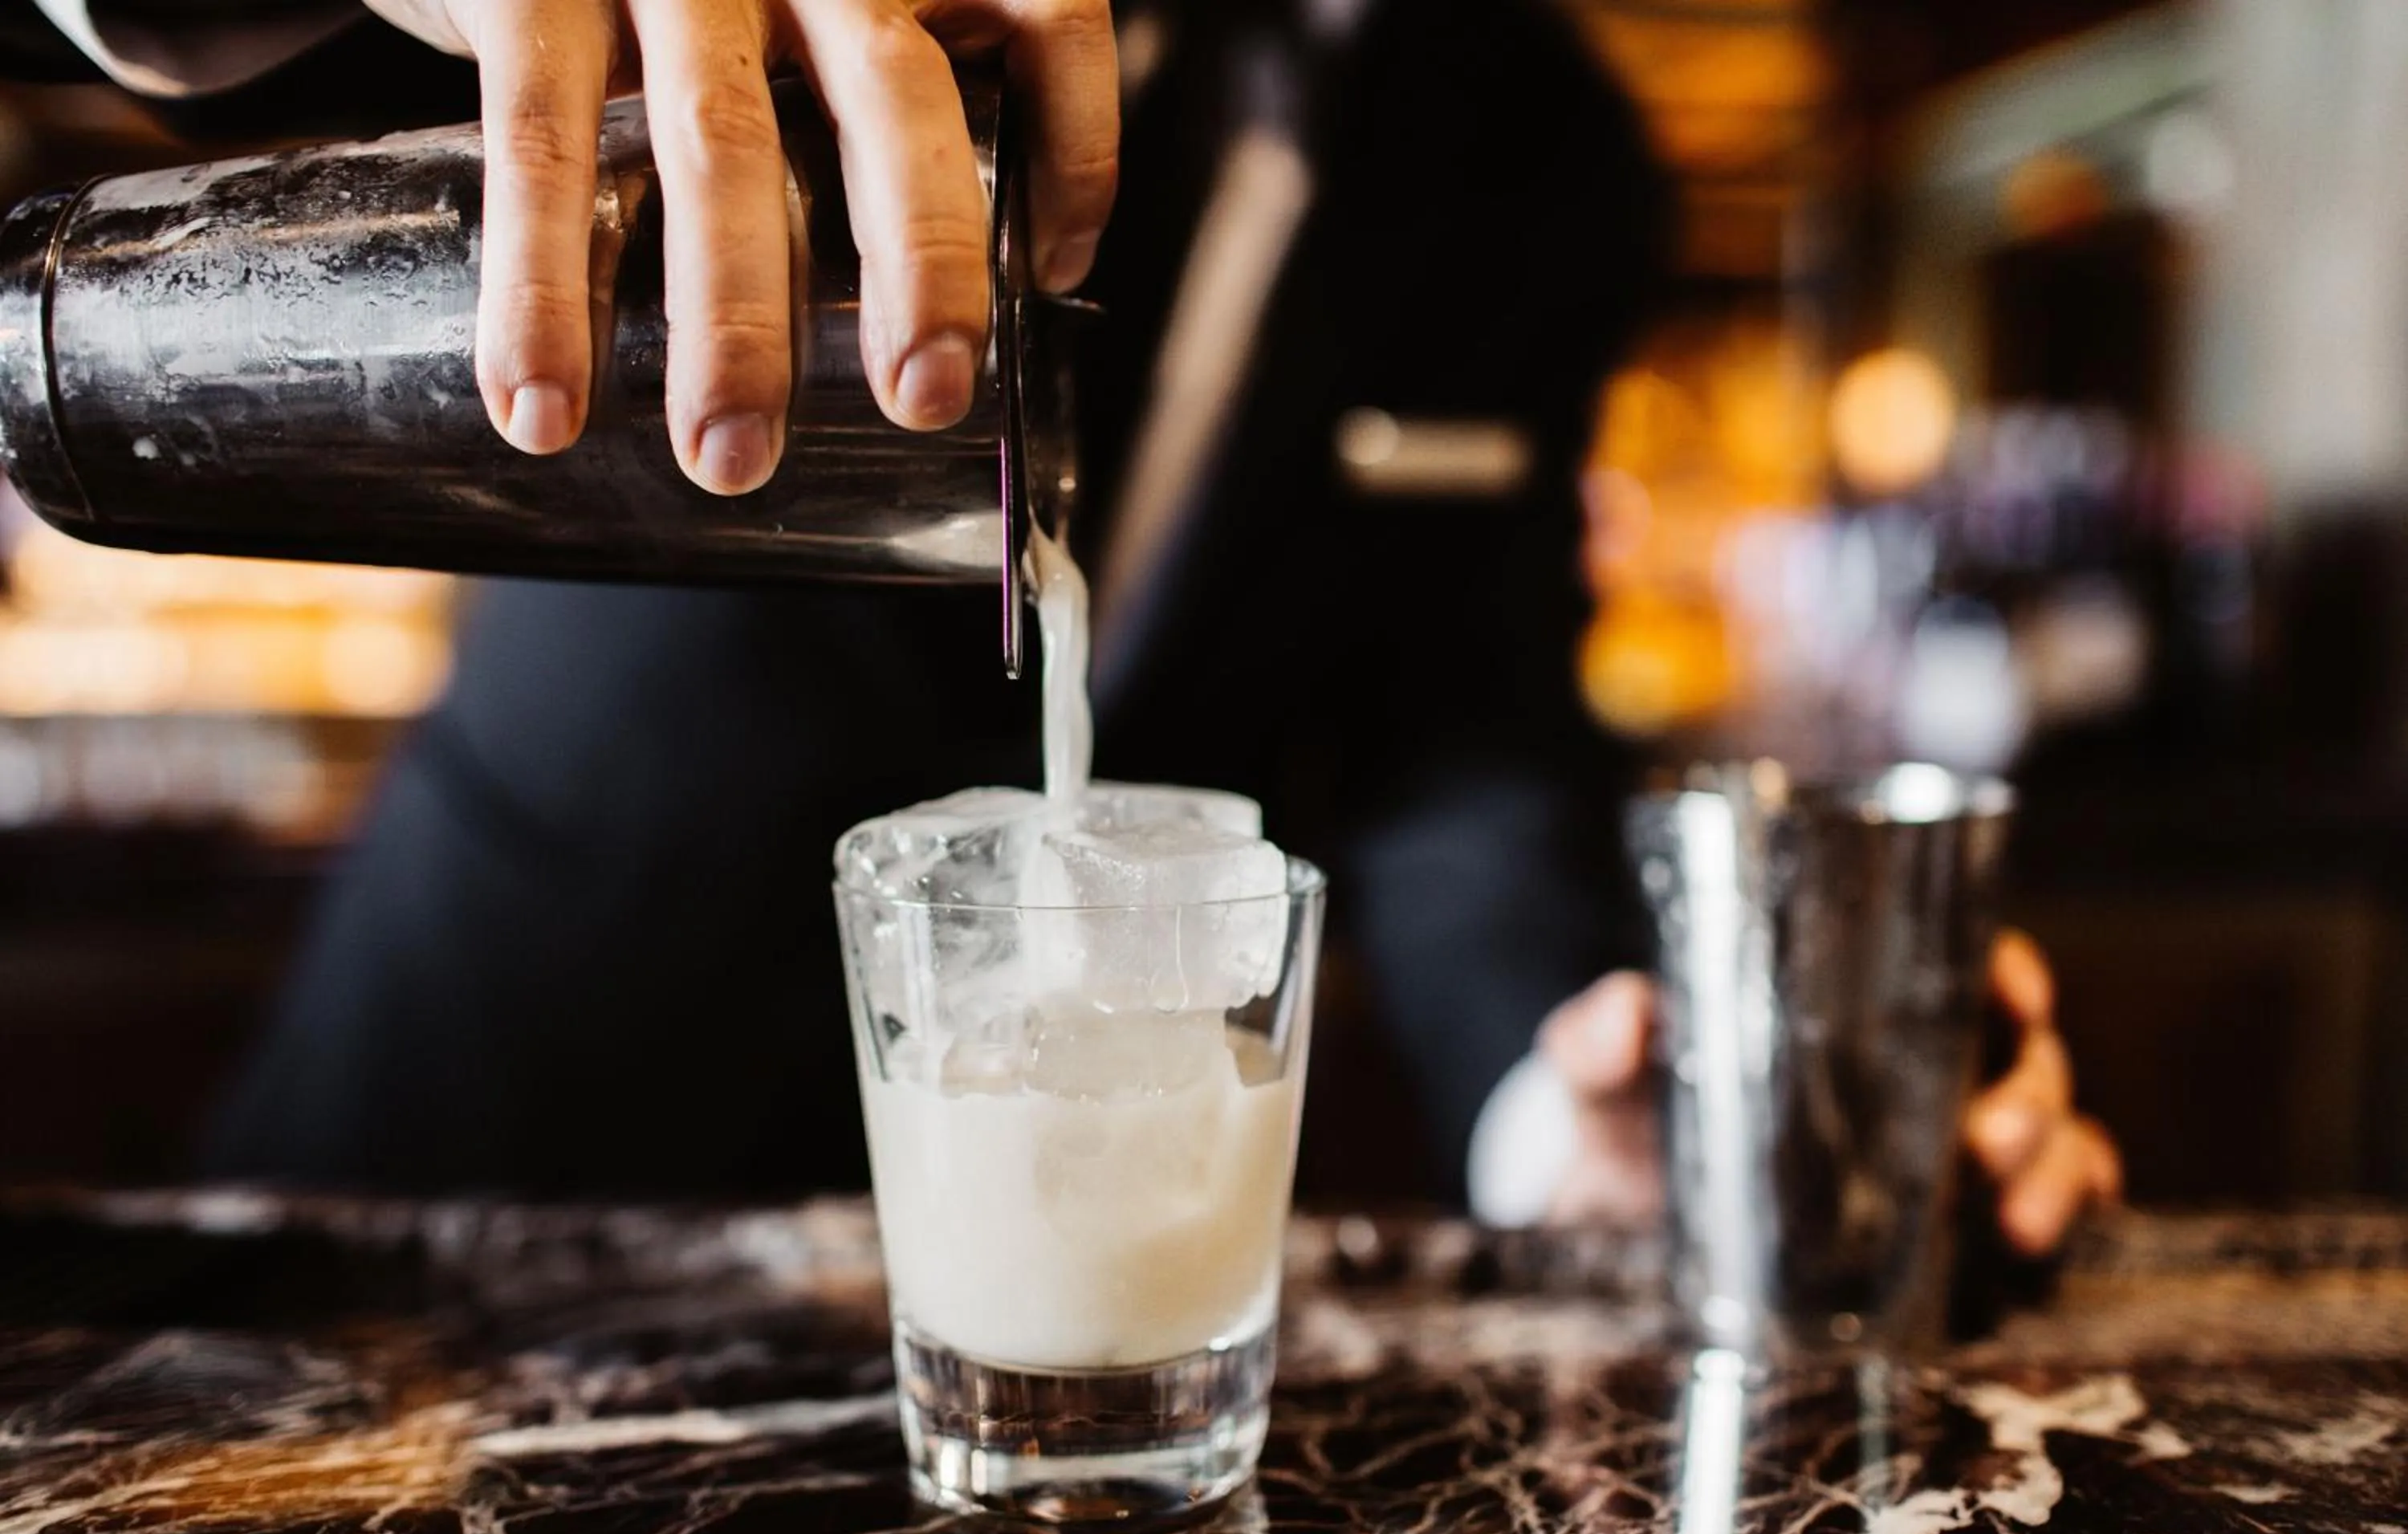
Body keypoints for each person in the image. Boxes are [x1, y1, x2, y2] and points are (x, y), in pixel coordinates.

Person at [16, 0, 2117, 1249]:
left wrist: (1574, 1101)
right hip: (514, 1135)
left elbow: (1459, 721)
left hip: (1072, 1260)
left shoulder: (1546, 151)